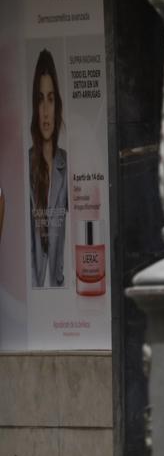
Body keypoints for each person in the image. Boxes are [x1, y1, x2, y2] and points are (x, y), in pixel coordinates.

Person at [29, 49, 68, 289]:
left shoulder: (66, 162)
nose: (45, 110)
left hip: (59, 289)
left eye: (51, 99)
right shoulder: (27, 163)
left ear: (57, 105)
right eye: (40, 98)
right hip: (32, 293)